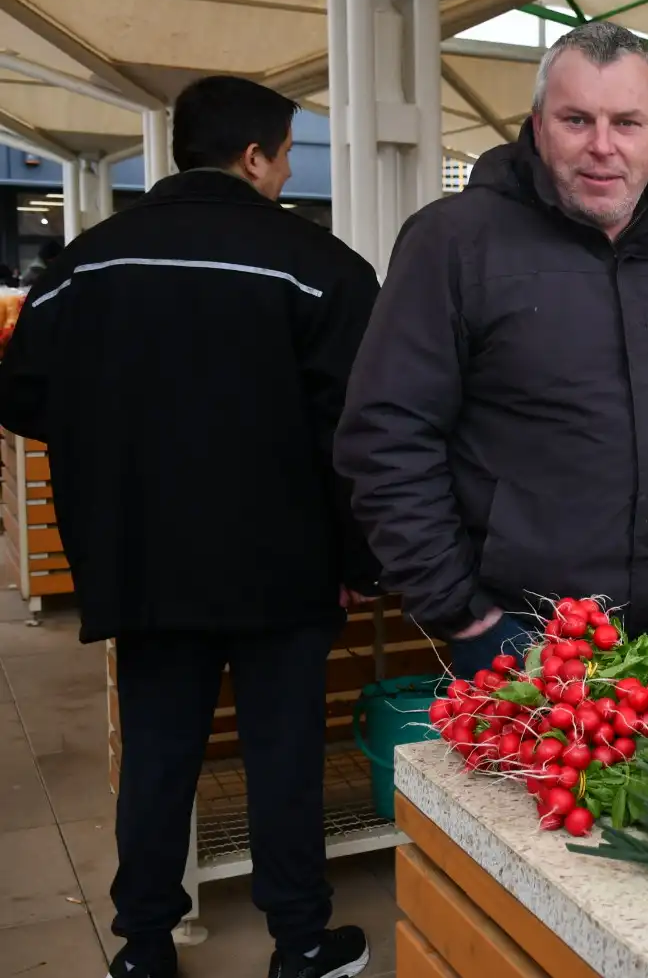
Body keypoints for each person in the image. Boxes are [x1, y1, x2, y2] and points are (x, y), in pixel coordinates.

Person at [0, 76, 379, 978]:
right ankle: (300, 944)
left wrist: (121, 442)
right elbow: (357, 433)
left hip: (141, 558)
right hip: (282, 566)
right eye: (285, 155)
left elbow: (19, 394)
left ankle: (143, 946)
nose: (288, 172)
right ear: (254, 157)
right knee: (283, 753)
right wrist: (362, 558)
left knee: (160, 750)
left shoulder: (86, 263)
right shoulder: (322, 268)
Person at [334, 20, 648, 680]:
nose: (602, 147)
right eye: (578, 120)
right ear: (539, 126)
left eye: (626, 123)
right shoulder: (455, 243)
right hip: (528, 624)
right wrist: (458, 606)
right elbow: (387, 433)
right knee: (553, 788)